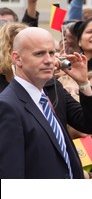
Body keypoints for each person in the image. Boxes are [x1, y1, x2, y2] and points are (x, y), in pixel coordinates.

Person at [0, 27, 86, 178]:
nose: (48, 60)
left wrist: (84, 83)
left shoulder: (45, 97)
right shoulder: (7, 106)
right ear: (17, 58)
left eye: (51, 53)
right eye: (39, 54)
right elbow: (11, 174)